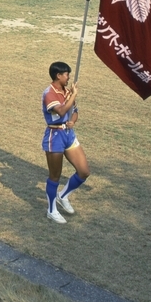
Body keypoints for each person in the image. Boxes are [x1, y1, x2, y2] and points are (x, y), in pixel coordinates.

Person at [41, 61, 90, 224]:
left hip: (69, 135)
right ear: (58, 76)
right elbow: (61, 111)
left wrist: (73, 121)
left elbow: (74, 111)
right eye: (66, 75)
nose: (69, 78)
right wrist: (73, 95)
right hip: (54, 137)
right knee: (55, 176)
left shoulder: (67, 92)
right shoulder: (49, 93)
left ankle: (63, 196)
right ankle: (51, 210)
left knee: (84, 171)